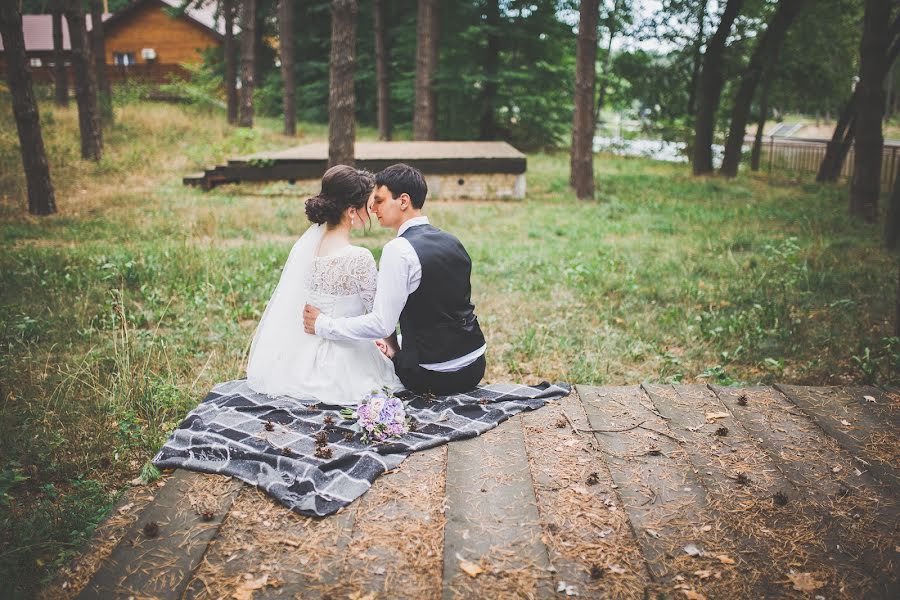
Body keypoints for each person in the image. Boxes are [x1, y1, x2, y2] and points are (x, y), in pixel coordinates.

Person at [303, 163, 486, 395]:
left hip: (432, 374)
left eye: (379, 200)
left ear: (403, 201)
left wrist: (323, 324)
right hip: (475, 364)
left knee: (371, 364)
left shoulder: (398, 249)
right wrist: (394, 343)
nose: (373, 208)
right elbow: (441, 314)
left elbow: (381, 324)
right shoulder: (452, 240)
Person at [246, 165, 402, 405]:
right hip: (346, 363)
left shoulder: (308, 249)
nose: (371, 211)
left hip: (307, 358)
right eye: (368, 206)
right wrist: (393, 350)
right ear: (352, 211)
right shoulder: (358, 257)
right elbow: (380, 319)